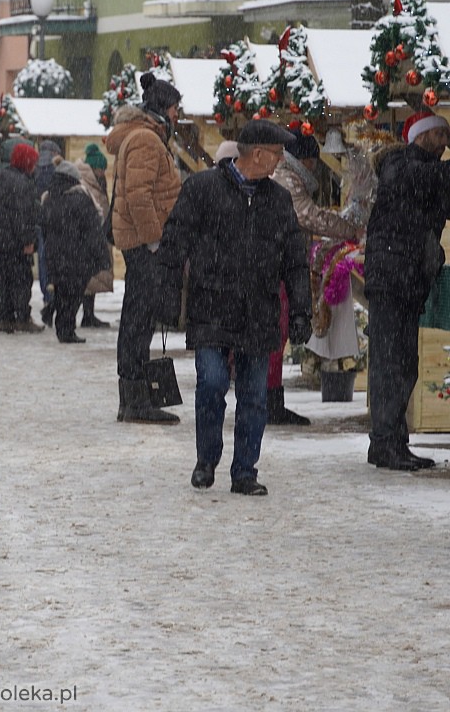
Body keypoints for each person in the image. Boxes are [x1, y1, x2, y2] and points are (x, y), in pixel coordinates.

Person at [158, 119, 311, 497]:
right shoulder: (202, 189)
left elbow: (295, 260)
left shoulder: (278, 200)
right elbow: (173, 243)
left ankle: (244, 471)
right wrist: (165, 296)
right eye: (276, 154)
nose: (278, 162)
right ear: (257, 153)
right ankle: (206, 460)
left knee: (254, 396)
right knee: (211, 383)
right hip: (211, 304)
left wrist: (301, 311)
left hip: (259, 311)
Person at [366, 111, 450, 471]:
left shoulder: (425, 176)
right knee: (391, 364)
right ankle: (384, 443)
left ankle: (393, 441)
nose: (444, 140)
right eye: (438, 134)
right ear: (419, 137)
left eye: (448, 134)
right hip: (392, 280)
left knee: (403, 364)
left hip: (407, 281)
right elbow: (435, 176)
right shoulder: (401, 165)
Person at [266, 133, 364, 426]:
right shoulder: (287, 179)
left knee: (277, 331)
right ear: (305, 160)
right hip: (277, 265)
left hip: (277, 263)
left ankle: (269, 398)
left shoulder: (284, 175)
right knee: (276, 330)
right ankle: (269, 401)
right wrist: (349, 230)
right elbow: (308, 216)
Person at [107, 72, 183, 424]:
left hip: (140, 242)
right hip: (143, 244)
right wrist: (155, 239)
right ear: (162, 109)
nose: (177, 115)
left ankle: (135, 397)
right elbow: (138, 195)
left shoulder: (146, 137)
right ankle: (135, 399)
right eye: (175, 108)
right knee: (139, 320)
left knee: (139, 317)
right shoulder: (146, 140)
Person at [40, 158, 109, 343]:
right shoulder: (80, 198)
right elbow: (93, 229)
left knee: (63, 291)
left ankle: (62, 326)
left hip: (55, 255)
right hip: (78, 256)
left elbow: (45, 227)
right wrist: (101, 256)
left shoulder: (49, 197)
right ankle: (66, 330)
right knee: (74, 294)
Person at [0, 142, 44, 333]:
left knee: (6, 279)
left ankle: (4, 317)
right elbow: (22, 215)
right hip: (16, 241)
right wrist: (28, 240)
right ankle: (21, 317)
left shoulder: (2, 176)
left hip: (3, 239)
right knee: (22, 280)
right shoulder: (21, 182)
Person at [79, 143, 112, 328]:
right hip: (91, 236)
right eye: (100, 168)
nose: (102, 172)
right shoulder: (87, 184)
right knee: (89, 277)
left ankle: (88, 314)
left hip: (97, 235)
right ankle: (87, 315)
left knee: (92, 278)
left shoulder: (97, 183)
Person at [35, 140, 64, 326]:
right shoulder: (58, 170)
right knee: (56, 259)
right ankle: (55, 298)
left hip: (39, 221)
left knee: (43, 259)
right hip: (57, 221)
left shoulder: (34, 169)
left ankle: (47, 294)